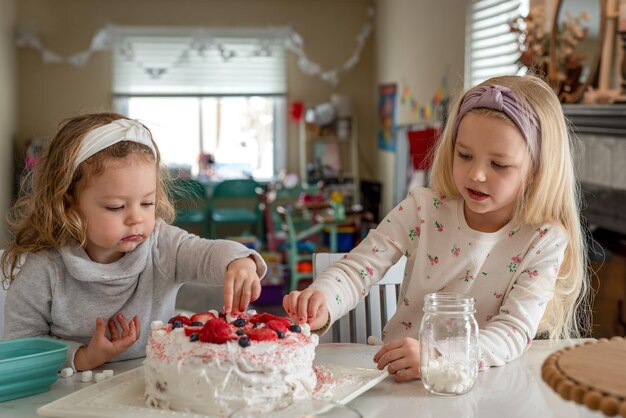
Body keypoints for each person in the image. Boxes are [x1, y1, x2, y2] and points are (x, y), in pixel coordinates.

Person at [283, 74, 590, 382]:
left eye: (499, 164)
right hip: (396, 378)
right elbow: (357, 270)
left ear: (537, 171)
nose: (477, 174)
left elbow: (512, 331)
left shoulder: (544, 240)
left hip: (475, 385)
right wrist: (322, 299)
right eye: (465, 155)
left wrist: (440, 358)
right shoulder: (422, 209)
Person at [1, 113, 267, 371]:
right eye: (116, 207)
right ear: (68, 202)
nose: (136, 218)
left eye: (147, 203)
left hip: (153, 385)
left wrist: (239, 260)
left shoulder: (161, 244)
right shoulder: (43, 267)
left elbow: (205, 253)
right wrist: (82, 357)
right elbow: (21, 345)